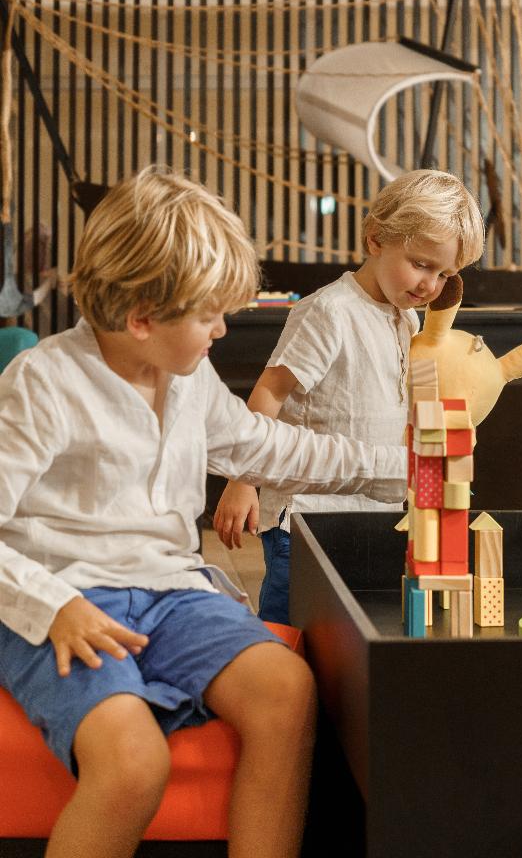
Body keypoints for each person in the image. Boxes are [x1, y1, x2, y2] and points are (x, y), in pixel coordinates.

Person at [0, 167, 407, 858]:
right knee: (133, 762)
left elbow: (268, 445)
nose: (222, 329)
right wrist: (53, 606)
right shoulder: (42, 383)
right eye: (209, 316)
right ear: (141, 318)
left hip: (172, 592)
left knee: (286, 689)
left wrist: (399, 463)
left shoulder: (190, 379)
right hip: (66, 595)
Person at [213, 169, 485, 623]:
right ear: (375, 238)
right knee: (291, 620)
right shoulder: (328, 311)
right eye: (421, 264)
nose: (430, 286)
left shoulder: (406, 319)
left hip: (374, 509)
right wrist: (242, 481)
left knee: (353, 624)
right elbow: (270, 391)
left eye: (444, 274)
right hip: (306, 514)